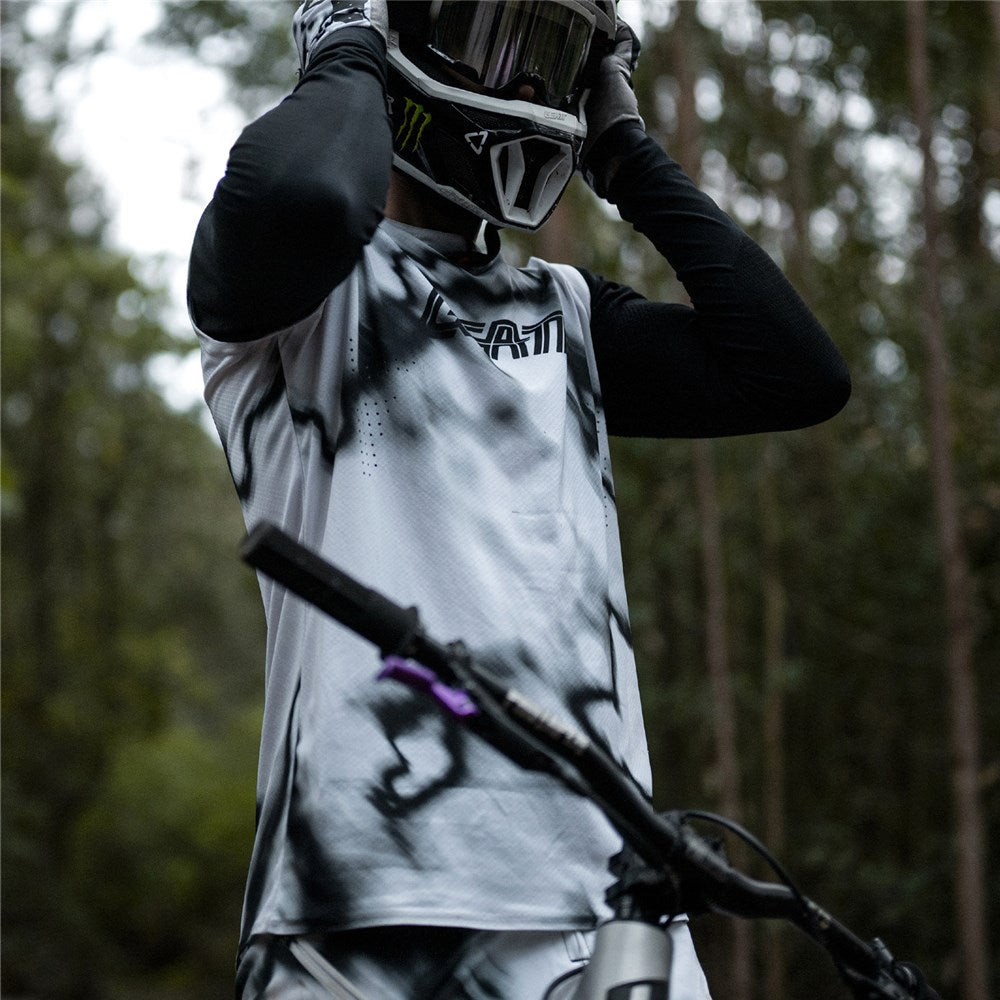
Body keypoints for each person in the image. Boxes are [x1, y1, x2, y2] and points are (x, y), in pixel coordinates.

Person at [189, 2, 851, 997]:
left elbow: (797, 374)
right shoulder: (296, 299)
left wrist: (625, 153)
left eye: (552, 56)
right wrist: (347, 39)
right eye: (497, 43)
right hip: (365, 910)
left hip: (610, 904)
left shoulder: (566, 314)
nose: (532, 86)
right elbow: (311, 192)